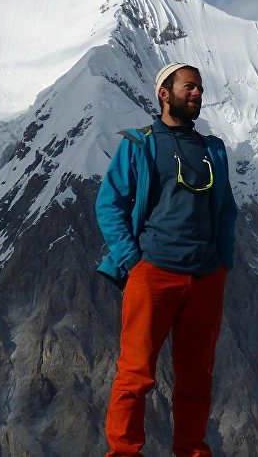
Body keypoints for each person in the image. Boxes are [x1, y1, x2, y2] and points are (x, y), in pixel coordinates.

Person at [96, 62, 238, 456]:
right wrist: (133, 261)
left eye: (200, 88)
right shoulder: (139, 144)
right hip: (153, 273)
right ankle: (123, 452)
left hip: (206, 278)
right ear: (165, 93)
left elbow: (226, 209)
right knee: (135, 373)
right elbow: (109, 204)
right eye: (189, 87)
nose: (197, 93)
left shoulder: (213, 150)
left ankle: (191, 450)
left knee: (197, 379)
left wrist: (222, 261)